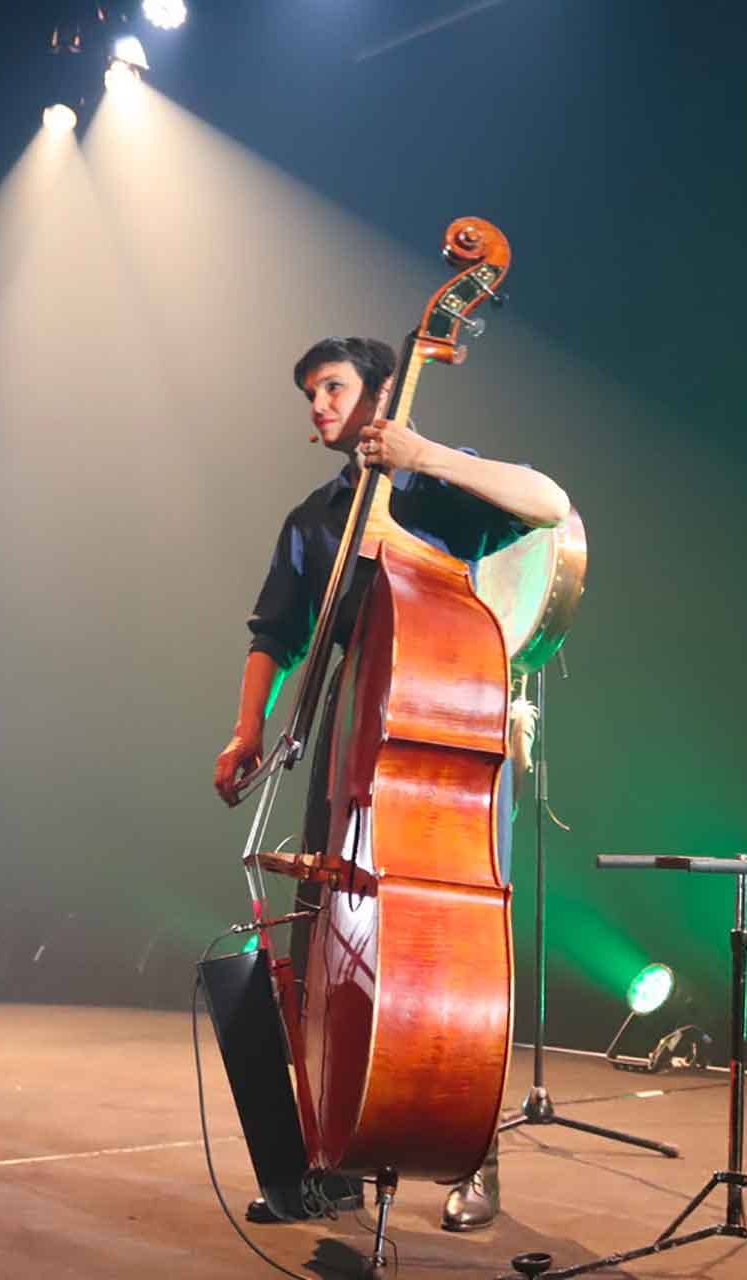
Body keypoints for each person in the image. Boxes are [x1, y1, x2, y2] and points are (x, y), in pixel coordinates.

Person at [213, 337, 569, 1231]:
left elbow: (550, 506)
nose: (317, 407)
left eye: (332, 388)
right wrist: (250, 726)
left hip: (442, 739)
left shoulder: (440, 484)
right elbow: (276, 634)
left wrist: (424, 454)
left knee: (453, 961)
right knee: (322, 948)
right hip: (346, 741)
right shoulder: (313, 518)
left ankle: (469, 1156)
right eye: (310, 395)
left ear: (382, 390)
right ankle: (326, 1155)